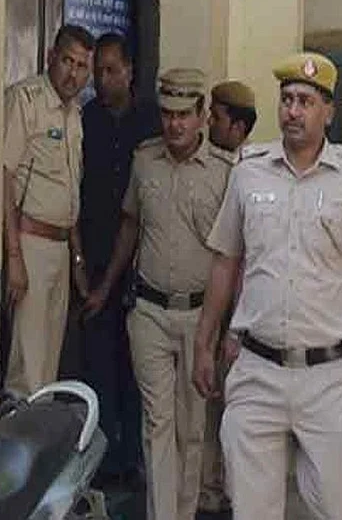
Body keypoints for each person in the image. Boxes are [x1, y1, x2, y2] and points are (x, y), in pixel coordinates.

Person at [192, 52, 342, 520]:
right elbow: (225, 261)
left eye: (306, 101)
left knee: (338, 508)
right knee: (251, 508)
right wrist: (205, 343)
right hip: (257, 369)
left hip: (329, 377)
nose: (293, 111)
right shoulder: (248, 170)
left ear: (329, 112)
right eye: (287, 99)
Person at [84, 68, 231, 520]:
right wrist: (106, 286)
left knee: (191, 427)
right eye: (167, 114)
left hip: (200, 316)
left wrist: (230, 326)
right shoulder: (145, 159)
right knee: (157, 423)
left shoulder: (225, 173)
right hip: (148, 310)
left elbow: (234, 256)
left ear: (202, 115)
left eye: (184, 115)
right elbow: (130, 227)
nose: (174, 124)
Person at [78, 32, 161, 487]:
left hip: (140, 264)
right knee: (97, 363)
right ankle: (102, 460)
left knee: (136, 366)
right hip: (93, 259)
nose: (102, 79)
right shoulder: (86, 119)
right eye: (98, 71)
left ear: (130, 71)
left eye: (111, 70)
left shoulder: (151, 122)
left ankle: (133, 458)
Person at [3, 24, 94, 395]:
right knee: (27, 366)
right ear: (50, 58)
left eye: (82, 66)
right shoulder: (26, 101)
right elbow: (3, 176)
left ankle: (38, 430)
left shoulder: (75, 114)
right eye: (67, 61)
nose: (73, 74)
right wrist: (14, 256)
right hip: (30, 243)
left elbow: (69, 190)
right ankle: (17, 431)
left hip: (60, 249)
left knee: (48, 366)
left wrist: (77, 258)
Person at [197, 79, 257, 520]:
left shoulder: (254, 174)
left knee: (239, 413)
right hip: (210, 305)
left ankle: (234, 495)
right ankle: (208, 493)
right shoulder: (207, 167)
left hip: (244, 316)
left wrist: (234, 325)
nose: (207, 124)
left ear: (237, 127)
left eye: (215, 118)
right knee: (208, 408)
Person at [207, 80, 258, 164]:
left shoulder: (256, 163)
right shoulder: (200, 157)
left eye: (216, 117)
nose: (209, 121)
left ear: (238, 127)